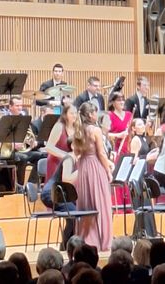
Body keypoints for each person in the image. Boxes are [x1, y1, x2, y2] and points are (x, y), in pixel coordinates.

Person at [72, 101, 113, 250]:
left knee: (87, 202)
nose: (97, 115)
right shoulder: (95, 130)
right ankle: (101, 240)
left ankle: (86, 237)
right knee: (100, 202)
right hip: (95, 166)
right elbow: (101, 153)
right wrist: (108, 169)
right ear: (90, 114)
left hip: (83, 167)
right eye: (95, 112)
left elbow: (76, 152)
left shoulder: (78, 129)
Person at [45, 103, 77, 181]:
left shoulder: (76, 128)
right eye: (71, 113)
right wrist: (66, 156)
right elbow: (48, 147)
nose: (74, 115)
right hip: (56, 163)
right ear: (65, 115)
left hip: (69, 163)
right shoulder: (59, 126)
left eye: (76, 113)